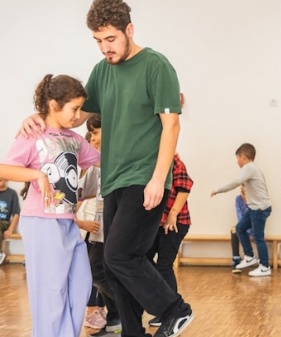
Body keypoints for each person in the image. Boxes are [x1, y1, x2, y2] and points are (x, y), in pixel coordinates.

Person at [19, 1, 195, 336]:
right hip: (112, 181)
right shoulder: (102, 70)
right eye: (99, 40)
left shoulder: (157, 66)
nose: (105, 47)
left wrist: (159, 179)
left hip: (145, 179)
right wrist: (40, 118)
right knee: (114, 268)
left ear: (129, 30)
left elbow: (171, 126)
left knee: (119, 255)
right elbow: (77, 116)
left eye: (111, 39)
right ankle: (133, 331)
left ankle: (176, 310)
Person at [0, 74, 100, 337]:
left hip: (66, 222)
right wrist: (37, 175)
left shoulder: (75, 139)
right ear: (55, 104)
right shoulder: (32, 134)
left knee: (81, 284)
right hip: (41, 222)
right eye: (74, 109)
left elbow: (104, 161)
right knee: (50, 293)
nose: (79, 116)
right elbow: (4, 168)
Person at [76, 114, 122, 336]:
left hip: (116, 228)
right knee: (97, 272)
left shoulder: (121, 157)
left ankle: (121, 311)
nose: (92, 139)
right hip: (100, 229)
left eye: (95, 133)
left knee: (108, 271)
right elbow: (82, 192)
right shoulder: (97, 163)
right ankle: (117, 312)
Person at [146, 152, 194, 326]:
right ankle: (163, 306)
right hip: (159, 223)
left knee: (164, 265)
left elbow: (185, 187)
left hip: (175, 222)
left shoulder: (174, 162)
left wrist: (173, 214)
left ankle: (171, 312)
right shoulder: (150, 161)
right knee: (143, 258)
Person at [211, 143, 272, 277]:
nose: (237, 162)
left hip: (259, 209)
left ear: (243, 157)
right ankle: (249, 256)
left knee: (258, 237)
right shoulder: (253, 168)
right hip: (254, 208)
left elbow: (236, 182)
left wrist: (218, 190)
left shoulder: (249, 167)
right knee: (240, 228)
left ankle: (265, 266)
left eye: (237, 158)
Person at [230, 185, 251, 273]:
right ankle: (236, 260)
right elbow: (239, 215)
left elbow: (252, 216)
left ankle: (250, 257)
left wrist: (247, 202)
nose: (243, 188)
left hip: (253, 226)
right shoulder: (238, 199)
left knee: (239, 229)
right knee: (234, 230)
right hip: (242, 226)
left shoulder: (254, 199)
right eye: (242, 186)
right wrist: (242, 227)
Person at [0, 178, 20, 265]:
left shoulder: (11, 193)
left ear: (6, 180)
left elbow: (16, 213)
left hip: (4, 222)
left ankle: (0, 254)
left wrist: (10, 229)